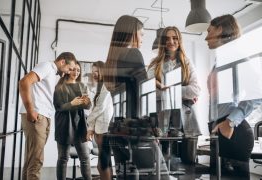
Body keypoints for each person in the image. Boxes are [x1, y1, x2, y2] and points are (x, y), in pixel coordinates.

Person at [104, 15, 169, 180]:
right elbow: (144, 96)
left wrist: (150, 81)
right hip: (136, 129)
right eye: (141, 34)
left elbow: (130, 89)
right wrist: (154, 128)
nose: (142, 39)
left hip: (117, 128)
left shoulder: (111, 61)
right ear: (132, 33)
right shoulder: (133, 53)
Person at [205, 14, 260, 177]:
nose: (206, 37)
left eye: (209, 31)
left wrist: (230, 121)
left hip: (232, 131)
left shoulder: (235, 56)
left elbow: (257, 92)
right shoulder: (221, 58)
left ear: (220, 30)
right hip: (218, 128)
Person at [19, 52, 76, 180]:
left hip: (43, 116)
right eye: (69, 68)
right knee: (36, 160)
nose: (69, 72)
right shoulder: (47, 66)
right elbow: (24, 82)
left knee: (31, 159)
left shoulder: (53, 73)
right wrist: (30, 110)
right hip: (37, 115)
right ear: (62, 62)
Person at [147, 26, 201, 163]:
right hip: (161, 119)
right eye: (167, 38)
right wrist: (182, 92)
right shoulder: (155, 64)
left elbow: (195, 90)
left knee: (188, 164)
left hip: (186, 120)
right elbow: (149, 92)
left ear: (179, 40)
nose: (171, 41)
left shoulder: (187, 63)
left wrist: (166, 89)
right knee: (161, 163)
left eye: (175, 38)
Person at [53, 61, 92, 180]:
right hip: (64, 124)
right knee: (63, 158)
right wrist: (72, 103)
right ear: (69, 70)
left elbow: (87, 107)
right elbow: (58, 107)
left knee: (85, 158)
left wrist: (87, 103)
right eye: (74, 69)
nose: (76, 72)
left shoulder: (83, 86)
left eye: (78, 70)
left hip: (80, 125)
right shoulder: (60, 87)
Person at [86, 61, 114, 180]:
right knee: (103, 162)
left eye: (97, 71)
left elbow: (99, 108)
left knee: (102, 163)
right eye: (93, 72)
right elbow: (94, 109)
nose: (95, 74)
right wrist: (91, 128)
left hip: (104, 129)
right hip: (99, 128)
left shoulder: (106, 85)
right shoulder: (99, 86)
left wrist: (89, 123)